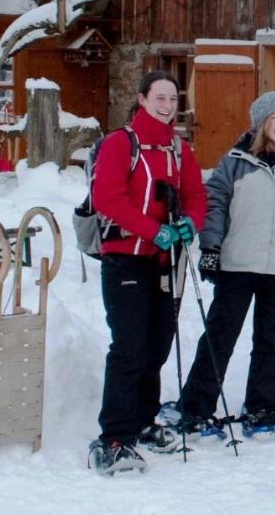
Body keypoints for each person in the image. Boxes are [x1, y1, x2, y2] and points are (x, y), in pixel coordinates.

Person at [178, 92, 275, 437]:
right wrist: (211, 247)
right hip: (238, 264)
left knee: (271, 342)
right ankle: (196, 406)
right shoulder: (234, 162)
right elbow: (215, 206)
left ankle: (263, 407)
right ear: (261, 122)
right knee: (220, 336)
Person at [88, 70, 208, 475]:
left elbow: (195, 195)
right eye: (160, 97)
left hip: (164, 259)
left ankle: (143, 420)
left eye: (173, 99)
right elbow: (107, 197)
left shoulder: (179, 148)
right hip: (126, 256)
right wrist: (151, 230)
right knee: (129, 347)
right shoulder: (122, 143)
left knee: (157, 344)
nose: (167, 105)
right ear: (142, 99)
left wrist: (190, 223)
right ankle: (114, 436)